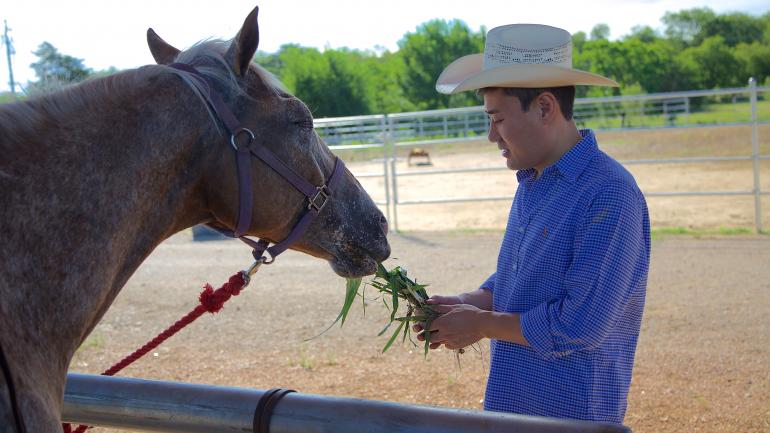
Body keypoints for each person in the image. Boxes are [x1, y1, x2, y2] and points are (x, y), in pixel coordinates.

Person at [415, 24, 650, 424]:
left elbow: (580, 324)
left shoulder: (608, 192)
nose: (492, 135)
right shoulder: (535, 181)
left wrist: (482, 325)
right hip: (517, 407)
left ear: (544, 107)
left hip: (572, 416)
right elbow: (526, 275)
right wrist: (472, 301)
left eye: (498, 119)